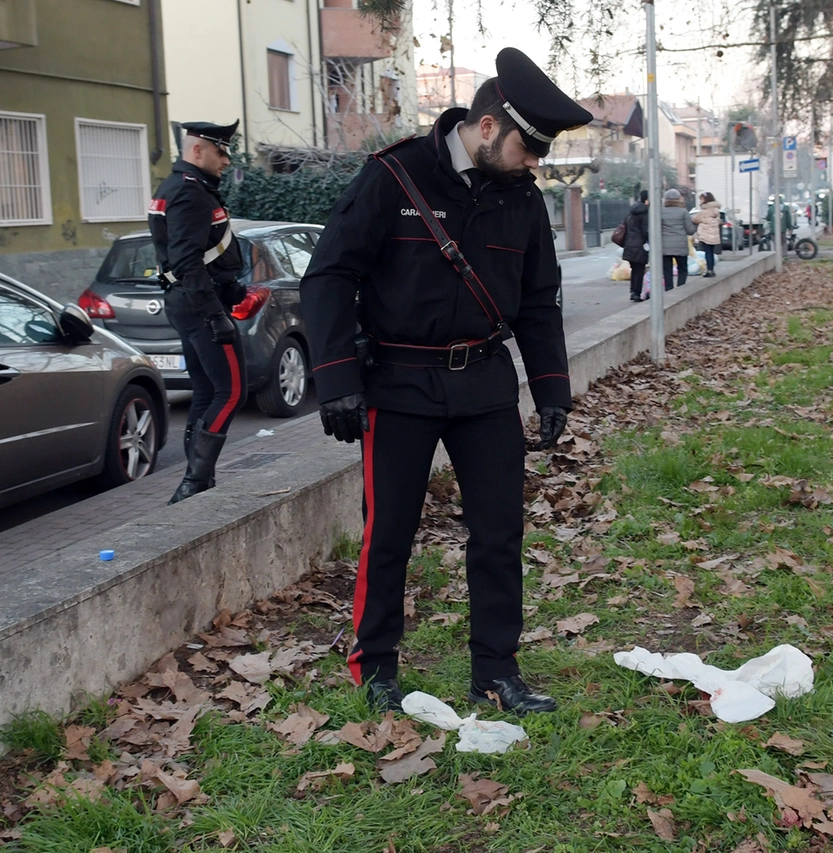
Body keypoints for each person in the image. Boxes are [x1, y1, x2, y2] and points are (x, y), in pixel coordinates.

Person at [299, 48, 592, 716]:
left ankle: (495, 670)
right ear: (488, 127)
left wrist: (550, 388)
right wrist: (336, 375)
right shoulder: (395, 176)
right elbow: (328, 275)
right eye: (529, 146)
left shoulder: (520, 199)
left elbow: (539, 300)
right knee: (390, 532)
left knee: (498, 532)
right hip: (398, 385)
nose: (536, 162)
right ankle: (375, 667)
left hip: (484, 383)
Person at [149, 120, 248, 505]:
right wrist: (214, 314)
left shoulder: (178, 187)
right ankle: (194, 482)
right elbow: (187, 261)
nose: (225, 160)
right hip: (200, 308)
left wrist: (229, 285)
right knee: (233, 390)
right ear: (197, 151)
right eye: (220, 152)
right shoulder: (190, 194)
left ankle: (197, 482)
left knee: (208, 391)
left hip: (191, 304)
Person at [660, 188, 696, 290]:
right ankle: (681, 288)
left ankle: (669, 289)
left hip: (665, 246)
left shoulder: (661, 211)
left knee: (667, 270)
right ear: (678, 198)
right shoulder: (683, 212)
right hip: (681, 246)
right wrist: (695, 224)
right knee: (682, 269)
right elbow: (690, 230)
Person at [621, 190, 650, 301]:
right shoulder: (644, 213)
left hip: (629, 245)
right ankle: (636, 293)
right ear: (646, 200)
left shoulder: (631, 212)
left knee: (634, 269)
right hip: (640, 245)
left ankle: (633, 291)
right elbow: (645, 231)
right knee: (639, 269)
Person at [691, 191, 722, 278]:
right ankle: (711, 269)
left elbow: (696, 219)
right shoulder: (716, 210)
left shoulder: (704, 211)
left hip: (705, 235)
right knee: (711, 252)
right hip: (713, 235)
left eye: (701, 199)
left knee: (707, 252)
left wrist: (693, 218)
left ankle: (709, 270)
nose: (700, 201)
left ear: (705, 199)